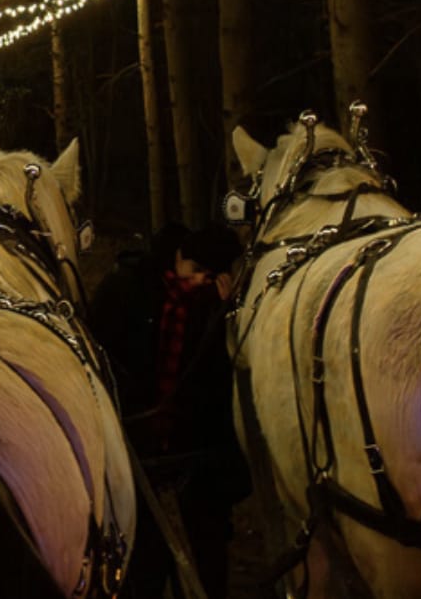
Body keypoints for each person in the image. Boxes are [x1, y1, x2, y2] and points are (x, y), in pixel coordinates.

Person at [88, 222, 251, 599]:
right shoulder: (126, 291)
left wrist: (225, 319)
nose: (199, 282)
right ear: (178, 257)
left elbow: (223, 384)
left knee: (208, 556)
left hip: (197, 455)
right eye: (196, 271)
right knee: (145, 560)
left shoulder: (215, 307)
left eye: (210, 276)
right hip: (136, 450)